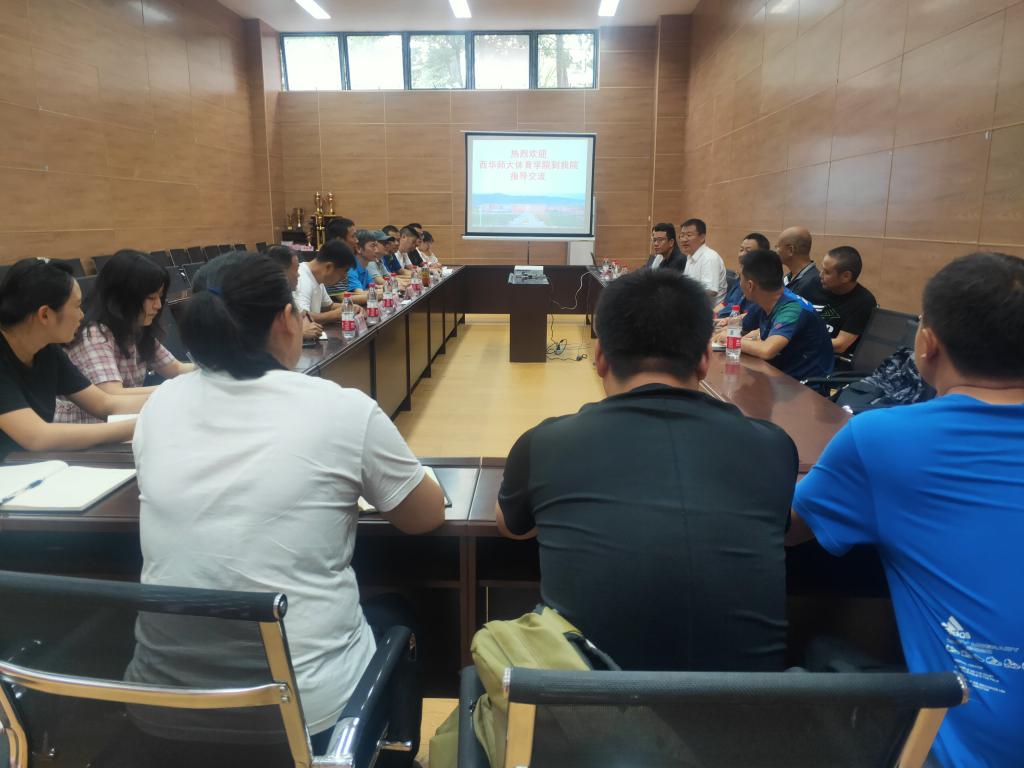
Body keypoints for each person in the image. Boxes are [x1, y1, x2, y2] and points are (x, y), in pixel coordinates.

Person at [132, 253, 445, 754]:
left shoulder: (160, 405)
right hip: (308, 715)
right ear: (285, 320)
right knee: (402, 610)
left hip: (164, 707)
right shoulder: (340, 408)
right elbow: (424, 517)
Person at [787, 252, 1024, 768]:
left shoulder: (883, 439)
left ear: (927, 343)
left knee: (819, 650)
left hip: (961, 754)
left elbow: (783, 530)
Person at [498, 268, 797, 672]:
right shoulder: (773, 447)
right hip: (749, 708)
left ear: (599, 358)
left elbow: (511, 527)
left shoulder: (545, 443)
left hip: (586, 705)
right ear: (704, 360)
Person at [0, 258, 147, 454]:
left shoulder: (47, 349)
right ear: (45, 315)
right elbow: (36, 436)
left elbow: (104, 403)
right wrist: (142, 425)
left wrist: (168, 398)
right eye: (77, 306)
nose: (82, 315)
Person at [55, 250, 193, 424]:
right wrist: (177, 391)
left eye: (160, 297)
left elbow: (176, 368)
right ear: (124, 297)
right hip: (84, 430)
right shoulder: (93, 334)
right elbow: (112, 394)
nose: (158, 305)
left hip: (118, 422)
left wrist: (211, 370)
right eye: (151, 297)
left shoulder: (135, 328)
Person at [718, 248, 833, 381]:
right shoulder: (765, 300)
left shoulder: (792, 309)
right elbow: (741, 328)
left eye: (741, 279)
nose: (739, 284)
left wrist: (729, 339)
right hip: (777, 374)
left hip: (805, 384)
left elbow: (767, 350)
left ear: (750, 285)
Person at [817, 246, 877, 356]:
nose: (820, 275)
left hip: (831, 359)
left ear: (846, 276)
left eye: (827, 272)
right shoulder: (815, 285)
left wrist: (801, 340)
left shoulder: (864, 302)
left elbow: (840, 345)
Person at [293, 240, 358, 324]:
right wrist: (335, 315)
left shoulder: (318, 277)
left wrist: (350, 307)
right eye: (345, 271)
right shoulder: (301, 279)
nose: (345, 277)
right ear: (329, 267)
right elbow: (302, 317)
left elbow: (329, 306)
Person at [266, 245, 323, 341]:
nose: (298, 275)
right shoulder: (261, 298)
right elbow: (257, 337)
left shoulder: (285, 294)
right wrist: (300, 333)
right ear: (281, 272)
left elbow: (303, 317)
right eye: (296, 269)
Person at [715, 232, 769, 322]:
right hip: (723, 321)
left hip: (738, 325)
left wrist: (724, 321)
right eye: (741, 250)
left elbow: (752, 316)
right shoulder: (740, 279)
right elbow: (724, 304)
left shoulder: (763, 283)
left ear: (762, 255)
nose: (742, 255)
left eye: (748, 251)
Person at [679, 218, 727, 304]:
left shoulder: (709, 257)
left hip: (710, 309)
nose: (684, 239)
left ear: (702, 237)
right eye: (682, 235)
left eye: (689, 235)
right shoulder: (690, 256)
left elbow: (711, 291)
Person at [776, 226, 825, 304]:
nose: (776, 251)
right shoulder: (789, 277)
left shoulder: (815, 282)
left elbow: (826, 314)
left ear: (790, 250)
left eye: (777, 246)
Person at [324, 217, 358, 295]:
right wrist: (376, 295)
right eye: (353, 236)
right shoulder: (333, 260)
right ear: (339, 241)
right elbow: (341, 297)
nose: (357, 240)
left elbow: (345, 294)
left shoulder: (342, 259)